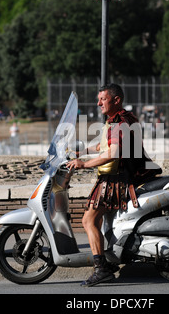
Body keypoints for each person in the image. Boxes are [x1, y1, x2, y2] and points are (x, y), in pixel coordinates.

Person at [66, 83, 161, 287]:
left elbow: (113, 152)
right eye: (98, 98)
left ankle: (101, 269)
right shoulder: (122, 119)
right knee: (96, 221)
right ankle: (106, 260)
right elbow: (104, 146)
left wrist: (84, 164)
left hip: (114, 180)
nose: (98, 102)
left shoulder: (119, 122)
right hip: (114, 177)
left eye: (103, 99)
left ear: (116, 100)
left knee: (88, 221)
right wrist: (81, 151)